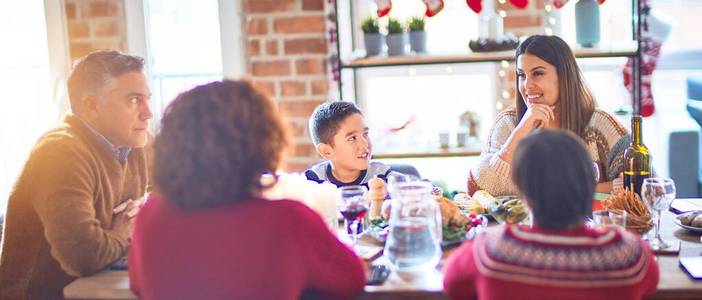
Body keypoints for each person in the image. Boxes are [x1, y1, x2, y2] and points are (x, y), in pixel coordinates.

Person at [128, 80, 366, 299]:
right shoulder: (290, 219)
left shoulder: (149, 217)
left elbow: (139, 286)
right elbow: (353, 278)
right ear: (264, 141)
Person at [0, 50, 152, 299]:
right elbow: (84, 254)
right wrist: (124, 232)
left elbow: (168, 204)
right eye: (134, 100)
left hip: (98, 289)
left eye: (147, 99)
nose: (148, 113)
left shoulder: (135, 141)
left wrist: (146, 210)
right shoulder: (60, 152)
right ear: (91, 106)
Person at [444, 129, 659, 300]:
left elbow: (451, 283)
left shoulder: (490, 251)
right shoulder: (629, 256)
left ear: (524, 192)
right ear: (588, 185)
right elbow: (651, 281)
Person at [468, 35, 629, 196]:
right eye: (521, 75)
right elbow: (479, 189)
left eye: (537, 73)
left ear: (564, 76)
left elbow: (640, 184)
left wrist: (567, 191)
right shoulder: (508, 123)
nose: (527, 86)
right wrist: (520, 131)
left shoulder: (600, 124)